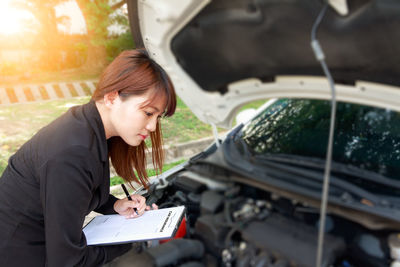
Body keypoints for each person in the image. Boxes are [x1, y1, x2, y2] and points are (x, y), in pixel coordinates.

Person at [0, 49, 177, 266]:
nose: (152, 126)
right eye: (148, 113)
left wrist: (114, 205)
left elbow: (76, 193)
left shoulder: (87, 125)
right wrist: (132, 240)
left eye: (158, 117)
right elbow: (67, 261)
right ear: (112, 97)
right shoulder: (72, 152)